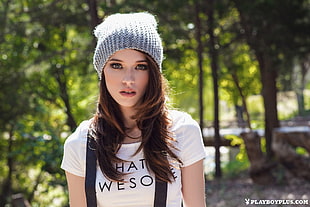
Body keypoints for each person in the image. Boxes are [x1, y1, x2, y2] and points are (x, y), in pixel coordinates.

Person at [61, 12, 206, 207]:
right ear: (102, 71)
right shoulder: (80, 144)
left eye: (140, 67)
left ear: (154, 72)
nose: (128, 79)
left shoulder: (182, 131)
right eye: (116, 65)